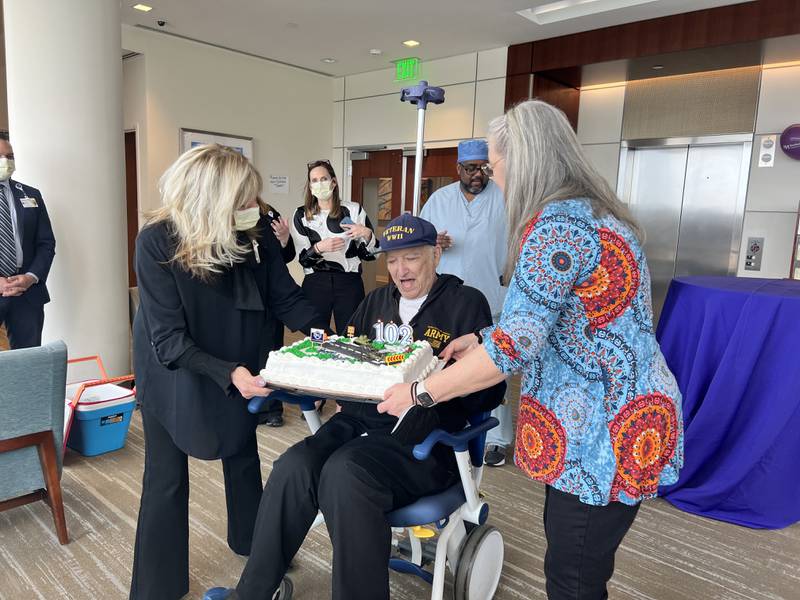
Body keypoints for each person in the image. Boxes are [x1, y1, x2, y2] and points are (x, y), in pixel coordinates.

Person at [382, 100, 684, 600]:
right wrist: (483, 336)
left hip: (597, 431)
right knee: (578, 564)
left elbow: (515, 348)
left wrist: (420, 391)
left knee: (573, 576)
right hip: (620, 415)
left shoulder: (557, 226)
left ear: (523, 161)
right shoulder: (598, 213)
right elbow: (561, 316)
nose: (496, 180)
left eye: (496, 166)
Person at [205, 214, 505, 600]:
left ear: (435, 256)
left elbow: (487, 393)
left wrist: (455, 375)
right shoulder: (376, 302)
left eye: (411, 258)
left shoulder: (466, 305)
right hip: (356, 426)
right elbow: (349, 365)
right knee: (292, 468)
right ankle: (254, 592)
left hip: (426, 440)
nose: (400, 270)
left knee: (344, 475)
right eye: (392, 260)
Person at [129, 144, 325, 600]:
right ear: (210, 201)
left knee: (241, 448)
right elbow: (170, 340)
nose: (255, 209)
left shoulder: (253, 230)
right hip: (172, 363)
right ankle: (158, 585)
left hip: (240, 348)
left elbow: (284, 296)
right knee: (165, 473)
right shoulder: (157, 240)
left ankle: (254, 543)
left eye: (253, 199)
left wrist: (324, 335)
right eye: (243, 200)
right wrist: (229, 372)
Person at [420, 138, 512, 467]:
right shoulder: (439, 200)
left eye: (483, 168)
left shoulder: (503, 198)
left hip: (490, 297)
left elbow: (517, 241)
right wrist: (434, 241)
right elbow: (420, 241)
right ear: (457, 168)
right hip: (449, 300)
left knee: (493, 364)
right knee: (442, 360)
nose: (478, 175)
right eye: (471, 168)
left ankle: (497, 438)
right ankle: (441, 422)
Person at [290, 159, 377, 333]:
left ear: (334, 181)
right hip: (316, 282)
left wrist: (367, 234)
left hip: (349, 282)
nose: (319, 184)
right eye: (314, 180)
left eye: (323, 178)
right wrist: (319, 248)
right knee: (317, 336)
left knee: (352, 333)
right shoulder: (301, 215)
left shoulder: (353, 210)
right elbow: (303, 260)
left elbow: (370, 255)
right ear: (310, 185)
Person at [0, 138, 56, 349]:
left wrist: (31, 277)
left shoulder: (31, 194)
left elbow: (46, 243)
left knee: (28, 364)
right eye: (0, 156)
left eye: (10, 156)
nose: (5, 161)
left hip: (27, 294)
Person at [257, 199, 295, 427]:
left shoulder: (268, 212)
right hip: (242, 298)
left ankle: (272, 409)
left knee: (270, 353)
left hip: (270, 297)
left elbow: (287, 256)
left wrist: (284, 238)